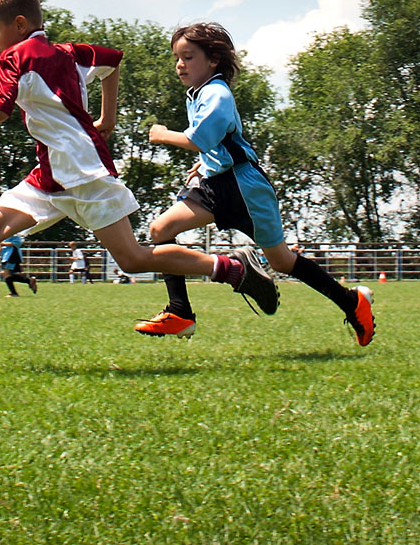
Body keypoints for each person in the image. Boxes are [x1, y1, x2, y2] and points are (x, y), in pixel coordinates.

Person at [0, 0, 278, 365]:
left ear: (19, 26)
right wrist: (108, 116)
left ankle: (231, 268)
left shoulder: (16, 58)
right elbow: (111, 61)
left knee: (134, 260)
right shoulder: (70, 53)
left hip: (86, 175)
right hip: (50, 176)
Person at [134, 22, 375, 344]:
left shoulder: (216, 93)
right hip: (216, 183)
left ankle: (351, 301)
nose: (180, 64)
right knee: (160, 231)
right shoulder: (199, 93)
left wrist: (162, 135)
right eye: (177, 58)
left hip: (244, 188)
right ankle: (180, 312)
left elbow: (202, 138)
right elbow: (221, 142)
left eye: (188, 57)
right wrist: (204, 164)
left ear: (213, 60)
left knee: (282, 261)